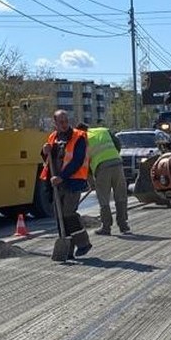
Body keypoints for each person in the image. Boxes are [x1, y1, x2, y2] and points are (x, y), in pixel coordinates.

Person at [41, 110, 92, 258]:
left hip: (73, 181)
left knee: (68, 213)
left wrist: (62, 176)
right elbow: (48, 158)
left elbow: (77, 161)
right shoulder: (53, 137)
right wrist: (44, 151)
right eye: (60, 122)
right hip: (56, 183)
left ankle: (83, 243)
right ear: (55, 123)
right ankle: (67, 249)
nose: (64, 124)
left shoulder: (79, 137)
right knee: (59, 216)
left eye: (65, 121)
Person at [76, 122, 130, 235]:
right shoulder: (103, 130)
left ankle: (106, 227)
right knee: (120, 195)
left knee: (103, 198)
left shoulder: (82, 139)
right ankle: (123, 225)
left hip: (102, 167)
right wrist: (113, 156)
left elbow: (84, 163)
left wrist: (91, 182)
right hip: (117, 163)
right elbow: (117, 144)